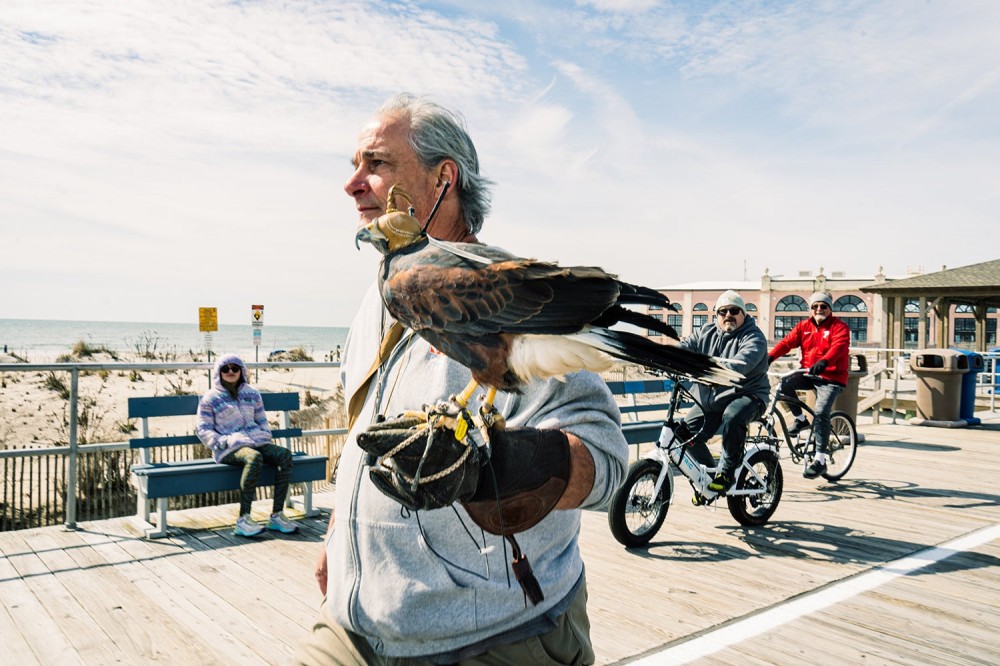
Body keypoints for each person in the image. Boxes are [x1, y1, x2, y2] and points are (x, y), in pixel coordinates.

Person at [295, 94, 628, 665]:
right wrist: (339, 539)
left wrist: (513, 464)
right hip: (353, 628)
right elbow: (364, 440)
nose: (353, 184)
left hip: (491, 637)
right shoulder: (375, 300)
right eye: (354, 166)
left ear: (443, 178)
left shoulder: (499, 288)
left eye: (377, 164)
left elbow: (606, 463)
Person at [670, 290, 770, 498]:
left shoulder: (754, 337)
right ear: (716, 315)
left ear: (743, 314)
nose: (728, 315)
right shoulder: (705, 332)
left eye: (734, 310)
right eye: (722, 311)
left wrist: (704, 369)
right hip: (714, 399)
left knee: (733, 416)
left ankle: (726, 474)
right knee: (683, 434)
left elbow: (741, 364)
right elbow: (685, 348)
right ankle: (709, 477)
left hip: (749, 396)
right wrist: (668, 359)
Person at [195, 354, 300, 537]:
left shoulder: (252, 393)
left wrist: (264, 434)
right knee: (254, 458)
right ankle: (243, 520)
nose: (230, 371)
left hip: (256, 441)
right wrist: (223, 441)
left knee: (284, 455)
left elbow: (261, 420)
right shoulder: (210, 398)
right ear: (218, 372)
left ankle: (276, 516)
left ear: (241, 371)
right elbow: (203, 429)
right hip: (228, 448)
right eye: (225, 368)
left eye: (234, 368)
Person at [767, 291, 851, 479]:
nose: (819, 309)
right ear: (810, 309)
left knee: (821, 412)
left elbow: (839, 347)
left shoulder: (840, 327)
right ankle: (800, 418)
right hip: (809, 373)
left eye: (823, 306)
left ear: (830, 308)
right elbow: (788, 342)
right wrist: (770, 356)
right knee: (785, 384)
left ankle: (820, 460)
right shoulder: (803, 326)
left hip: (832, 377)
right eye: (815, 306)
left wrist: (825, 361)